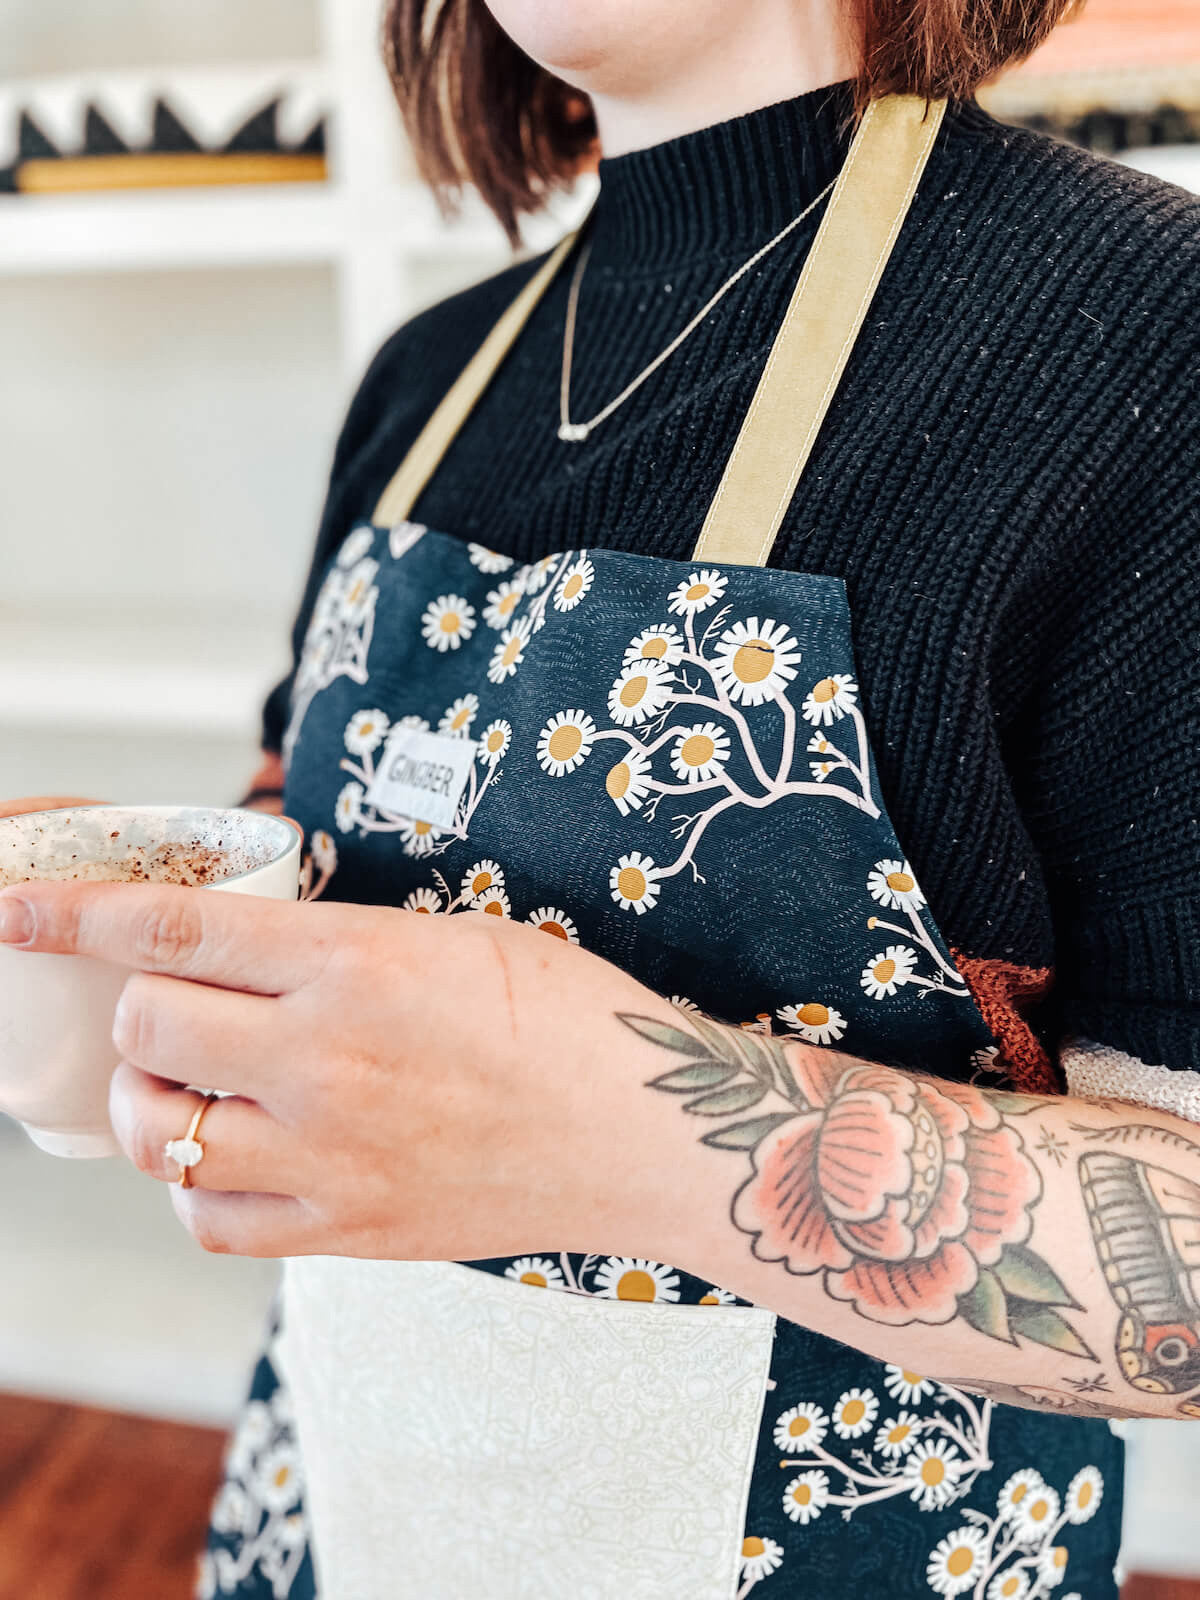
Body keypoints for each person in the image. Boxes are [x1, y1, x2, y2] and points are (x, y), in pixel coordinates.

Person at [1, 0, 1197, 1594]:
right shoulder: (424, 384)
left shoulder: (1140, 343)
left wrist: (611, 1123)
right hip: (338, 1516)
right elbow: (312, 871)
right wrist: (122, 982)